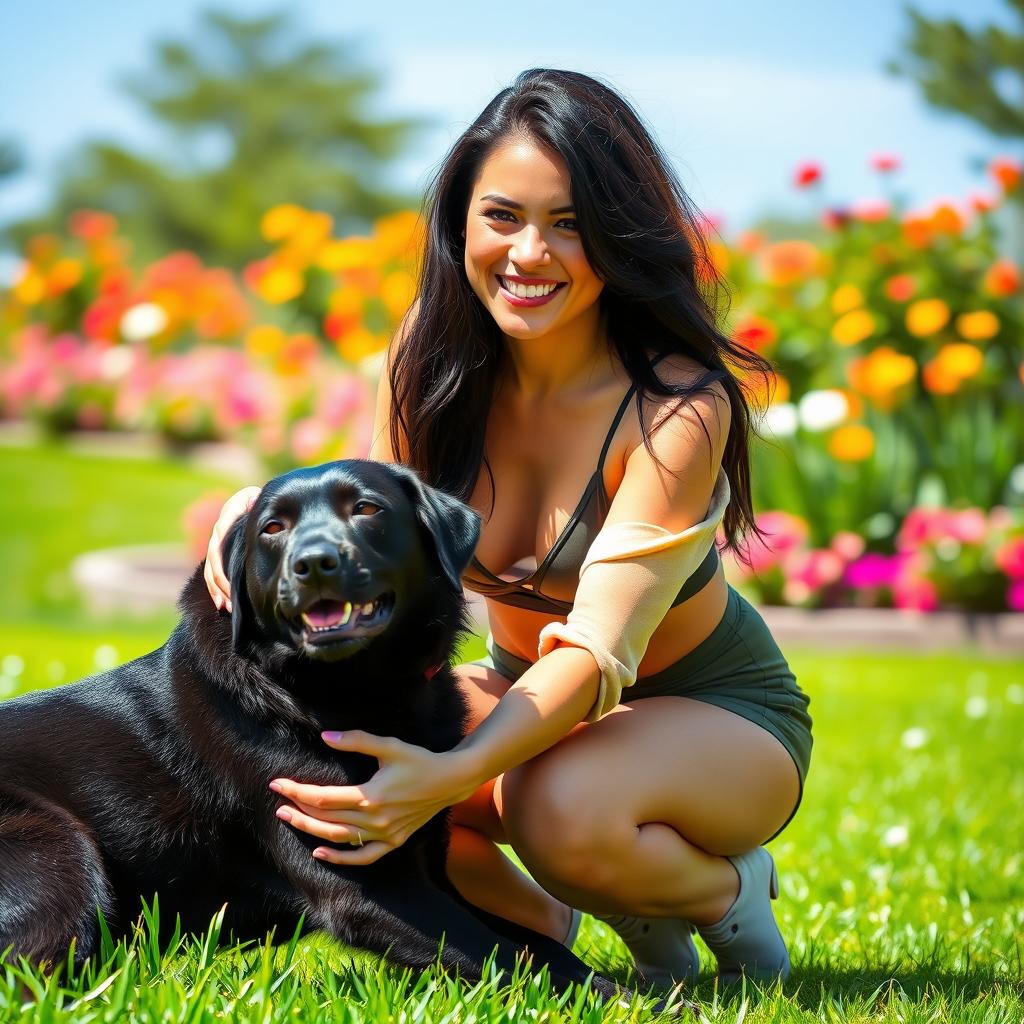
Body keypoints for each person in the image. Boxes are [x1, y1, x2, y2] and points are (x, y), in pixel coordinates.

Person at [204, 68, 812, 988]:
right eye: (502, 216)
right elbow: (379, 541)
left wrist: (450, 779)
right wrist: (253, 510)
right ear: (460, 223)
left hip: (712, 713)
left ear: (619, 236)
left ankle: (726, 894)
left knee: (552, 806)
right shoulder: (426, 362)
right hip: (520, 686)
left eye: (570, 223)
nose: (530, 253)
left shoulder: (673, 409)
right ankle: (544, 928)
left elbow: (600, 652)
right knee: (351, 771)